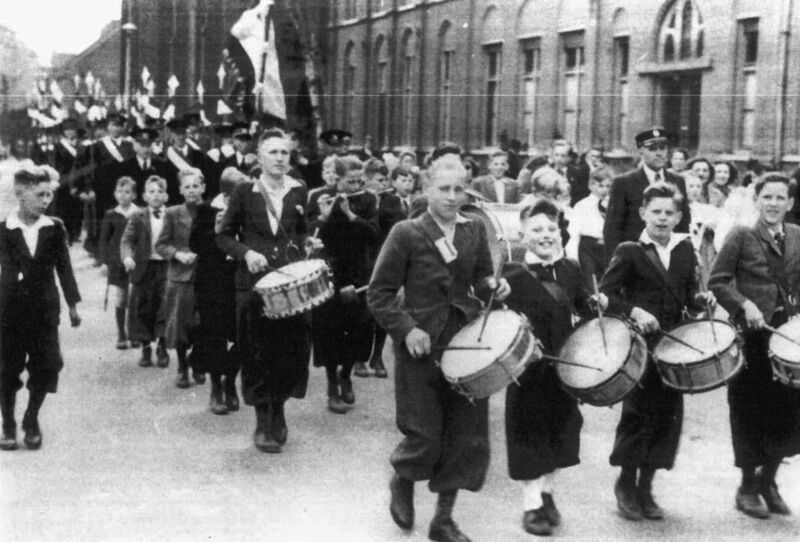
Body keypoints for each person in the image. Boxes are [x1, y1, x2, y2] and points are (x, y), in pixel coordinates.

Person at [367, 154, 510, 542]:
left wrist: (493, 286)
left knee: (466, 435)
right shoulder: (406, 232)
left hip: (465, 344)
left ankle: (443, 519)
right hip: (421, 346)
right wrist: (407, 330)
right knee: (424, 433)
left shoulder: (473, 229)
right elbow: (379, 294)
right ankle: (403, 479)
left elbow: (482, 277)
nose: (451, 196)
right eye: (443, 188)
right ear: (426, 189)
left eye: (459, 189)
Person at [600, 182, 714, 521]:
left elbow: (690, 295)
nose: (662, 218)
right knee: (637, 414)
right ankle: (625, 483)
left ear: (679, 216)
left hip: (672, 347)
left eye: (669, 213)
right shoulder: (629, 250)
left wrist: (701, 300)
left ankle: (647, 487)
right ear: (643, 213)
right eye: (656, 212)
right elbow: (605, 297)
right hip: (639, 347)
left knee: (667, 416)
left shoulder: (684, 249)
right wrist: (635, 311)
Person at [502, 200, 607, 536]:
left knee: (562, 430)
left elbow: (582, 307)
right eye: (536, 230)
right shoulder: (512, 274)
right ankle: (531, 504)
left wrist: (595, 303)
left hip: (564, 367)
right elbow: (499, 321)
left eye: (551, 228)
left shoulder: (571, 268)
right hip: (529, 370)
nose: (545, 235)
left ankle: (547, 492)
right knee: (530, 433)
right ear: (522, 236)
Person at [709, 173, 800, 519]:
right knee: (750, 409)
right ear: (757, 200)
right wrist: (744, 305)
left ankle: (769, 481)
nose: (773, 204)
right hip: (752, 336)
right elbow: (717, 281)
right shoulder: (741, 235)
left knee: (788, 408)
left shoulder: (797, 235)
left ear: (790, 203)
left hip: (787, 338)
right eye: (767, 197)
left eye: (780, 198)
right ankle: (747, 487)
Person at [217, 129, 312, 454]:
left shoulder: (299, 190)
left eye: (285, 152)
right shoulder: (245, 191)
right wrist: (246, 253)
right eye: (273, 152)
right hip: (254, 284)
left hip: (289, 283)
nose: (280, 158)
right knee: (257, 351)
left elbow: (302, 231)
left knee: (289, 350)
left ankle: (279, 410)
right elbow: (224, 236)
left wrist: (309, 242)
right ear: (259, 157)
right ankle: (262, 420)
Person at [0, 165, 81, 451]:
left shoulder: (53, 228)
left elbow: (64, 268)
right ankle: (8, 424)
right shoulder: (4, 229)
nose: (46, 201)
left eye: (49, 195)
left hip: (45, 309)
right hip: (9, 311)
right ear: (21, 194)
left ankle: (31, 418)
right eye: (40, 195)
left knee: (47, 364)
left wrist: (72, 304)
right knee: (7, 368)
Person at [308, 156, 380, 405]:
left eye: (360, 180)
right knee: (329, 330)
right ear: (336, 179)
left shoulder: (368, 199)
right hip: (330, 270)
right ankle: (331, 385)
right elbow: (309, 236)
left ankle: (346, 374)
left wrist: (351, 214)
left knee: (358, 328)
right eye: (351, 181)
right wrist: (323, 217)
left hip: (357, 271)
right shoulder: (321, 197)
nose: (356, 185)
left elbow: (373, 234)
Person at [189, 167, 245, 414]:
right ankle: (216, 389)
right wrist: (215, 231)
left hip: (241, 280)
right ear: (227, 194)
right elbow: (195, 244)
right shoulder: (206, 210)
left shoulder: (249, 208)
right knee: (215, 336)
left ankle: (230, 379)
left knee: (244, 335)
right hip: (212, 283)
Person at [603, 127, 691, 263]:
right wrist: (615, 264)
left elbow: (683, 222)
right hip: (635, 259)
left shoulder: (678, 181)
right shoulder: (624, 183)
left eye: (662, 148)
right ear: (641, 151)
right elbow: (612, 230)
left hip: (669, 258)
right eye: (652, 149)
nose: (659, 153)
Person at [156, 168, 205, 388]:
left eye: (195, 186)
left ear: (203, 188)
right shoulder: (173, 213)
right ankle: (182, 366)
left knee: (203, 323)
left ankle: (198, 362)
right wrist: (178, 254)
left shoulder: (210, 212)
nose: (191, 190)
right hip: (180, 277)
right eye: (187, 186)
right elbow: (161, 244)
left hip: (205, 275)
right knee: (181, 325)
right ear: (181, 190)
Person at [121, 175, 170, 368]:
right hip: (144, 267)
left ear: (166, 196)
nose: (156, 195)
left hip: (166, 267)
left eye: (160, 191)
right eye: (151, 191)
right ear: (144, 196)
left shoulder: (172, 215)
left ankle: (163, 346)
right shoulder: (137, 216)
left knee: (165, 305)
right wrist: (128, 257)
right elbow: (127, 240)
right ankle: (146, 347)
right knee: (143, 307)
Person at [99, 176, 139, 350]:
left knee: (135, 298)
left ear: (134, 195)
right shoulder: (111, 215)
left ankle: (134, 332)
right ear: (115, 194)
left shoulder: (139, 213)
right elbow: (103, 240)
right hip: (117, 262)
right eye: (119, 191)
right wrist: (104, 262)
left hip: (136, 260)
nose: (123, 195)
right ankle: (121, 333)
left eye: (127, 192)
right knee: (122, 297)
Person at [566, 166, 612, 288]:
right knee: (591, 283)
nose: (604, 190)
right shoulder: (582, 205)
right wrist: (573, 258)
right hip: (588, 249)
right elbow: (573, 234)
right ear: (591, 185)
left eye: (608, 186)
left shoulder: (611, 205)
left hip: (605, 249)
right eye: (601, 186)